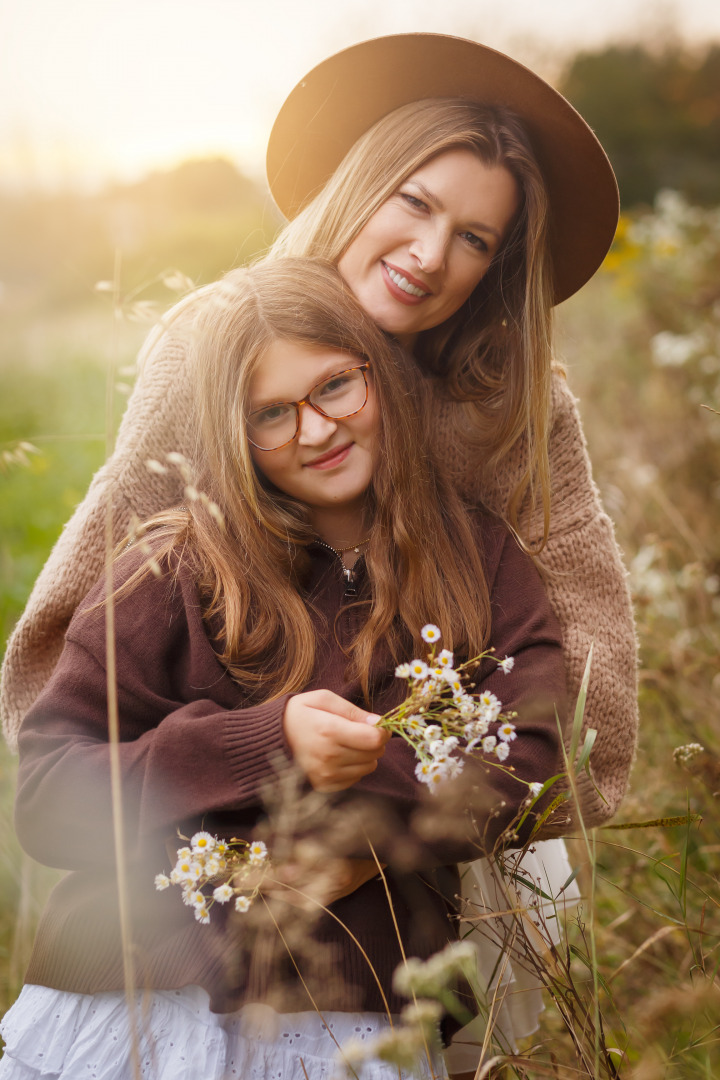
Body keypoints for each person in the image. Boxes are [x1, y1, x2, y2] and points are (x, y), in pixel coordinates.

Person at [0, 36, 637, 833]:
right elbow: (89, 630)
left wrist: (447, 818)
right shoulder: (209, 347)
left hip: (454, 819)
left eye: (475, 238)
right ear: (362, 185)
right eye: (415, 202)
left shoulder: (509, 403)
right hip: (226, 825)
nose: (431, 255)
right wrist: (221, 800)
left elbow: (588, 659)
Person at [0, 259, 568, 1079]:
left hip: (353, 1018)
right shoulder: (171, 566)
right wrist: (266, 741)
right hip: (131, 1002)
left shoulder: (476, 559)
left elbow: (530, 753)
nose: (315, 430)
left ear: (381, 372)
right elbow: (51, 799)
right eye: (271, 412)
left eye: (336, 386)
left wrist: (371, 842)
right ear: (229, 430)